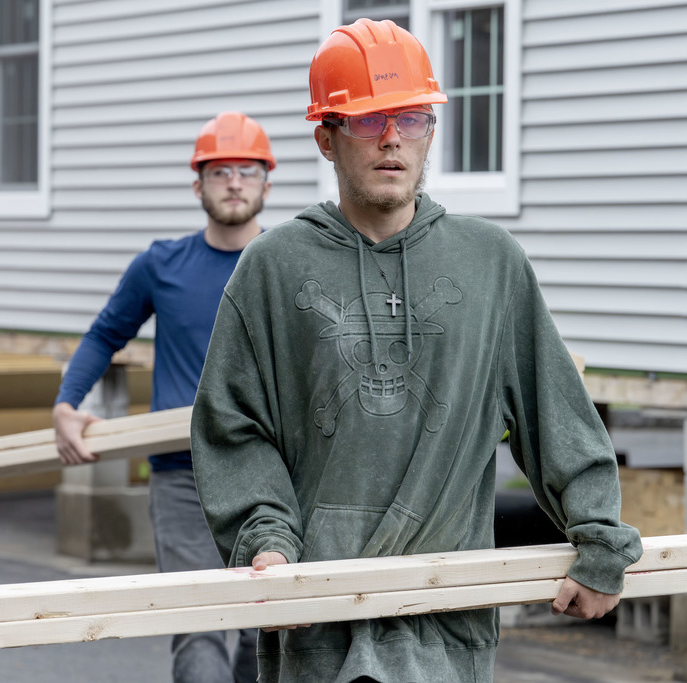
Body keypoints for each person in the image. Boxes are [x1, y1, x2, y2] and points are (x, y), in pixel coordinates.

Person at [190, 19, 642, 683]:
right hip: (317, 617)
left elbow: (556, 416)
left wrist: (599, 536)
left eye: (411, 118)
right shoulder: (273, 268)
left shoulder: (490, 265)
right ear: (326, 137)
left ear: (430, 131)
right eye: (368, 120)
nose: (392, 138)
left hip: (444, 619)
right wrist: (266, 540)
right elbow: (235, 427)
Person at [53, 111, 275, 683]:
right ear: (197, 185)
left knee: (269, 630)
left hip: (272, 478)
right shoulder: (161, 265)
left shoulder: (286, 263)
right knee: (198, 626)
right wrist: (67, 404)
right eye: (219, 171)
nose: (233, 182)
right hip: (183, 477)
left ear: (266, 184)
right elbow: (105, 334)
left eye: (247, 170)